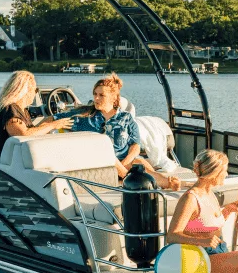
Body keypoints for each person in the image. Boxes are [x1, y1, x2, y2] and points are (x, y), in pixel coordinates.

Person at [42, 72, 178, 187]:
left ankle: (167, 183)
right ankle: (131, 180)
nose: (96, 98)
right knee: (106, 151)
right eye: (95, 94)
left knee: (140, 163)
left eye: (101, 95)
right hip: (99, 162)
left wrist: (124, 163)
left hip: (124, 163)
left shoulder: (126, 118)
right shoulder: (84, 115)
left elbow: (135, 146)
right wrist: (41, 129)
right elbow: (52, 118)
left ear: (114, 98)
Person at [0, 70, 62, 159]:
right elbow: (23, 135)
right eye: (36, 90)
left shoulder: (21, 110)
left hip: (7, 159)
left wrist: (45, 123)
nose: (35, 93)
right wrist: (52, 125)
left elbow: (28, 132)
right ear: (25, 91)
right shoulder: (10, 109)